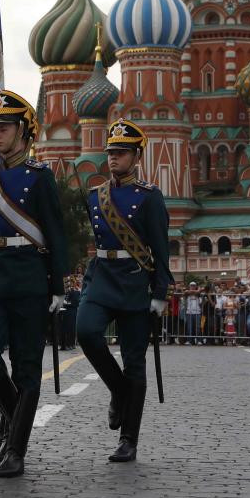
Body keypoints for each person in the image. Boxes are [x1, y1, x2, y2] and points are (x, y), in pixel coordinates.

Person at [0, 89, 67, 479]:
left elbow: (55, 231)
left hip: (29, 278)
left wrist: (57, 285)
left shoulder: (40, 177)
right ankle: (11, 415)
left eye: (4, 128)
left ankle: (16, 450)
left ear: (24, 131)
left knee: (26, 368)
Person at [76, 118, 171, 463]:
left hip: (134, 282)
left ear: (136, 156)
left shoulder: (149, 198)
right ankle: (118, 391)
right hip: (102, 278)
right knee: (86, 332)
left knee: (135, 363)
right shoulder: (95, 196)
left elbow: (161, 248)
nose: (113, 158)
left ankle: (129, 438)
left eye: (121, 152)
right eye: (111, 152)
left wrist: (160, 293)